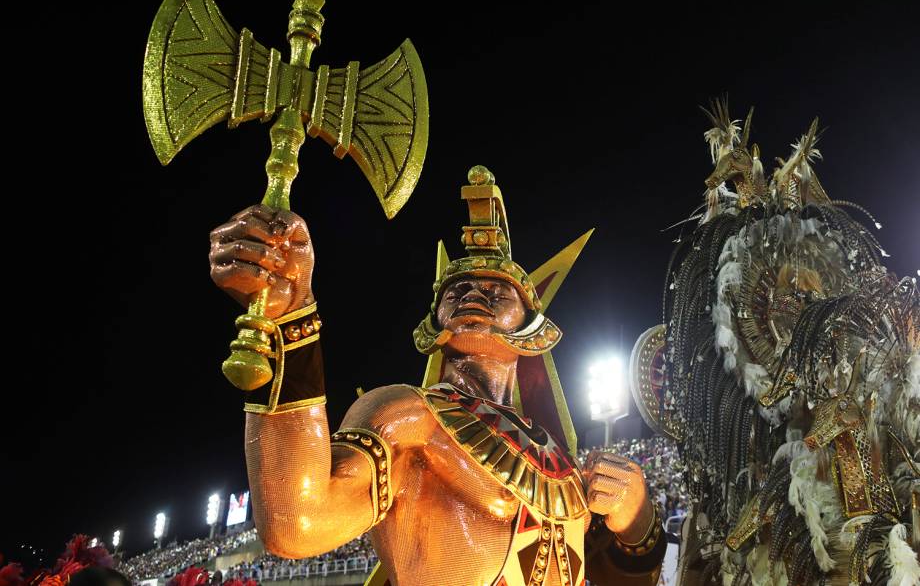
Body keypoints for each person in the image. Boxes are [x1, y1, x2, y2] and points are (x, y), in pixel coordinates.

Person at [209, 166, 666, 585]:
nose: (473, 295)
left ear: (533, 325)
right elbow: (296, 522)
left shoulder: (560, 461)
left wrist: (637, 517)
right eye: (459, 289)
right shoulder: (404, 414)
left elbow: (623, 576)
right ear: (436, 322)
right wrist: (292, 316)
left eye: (494, 291)